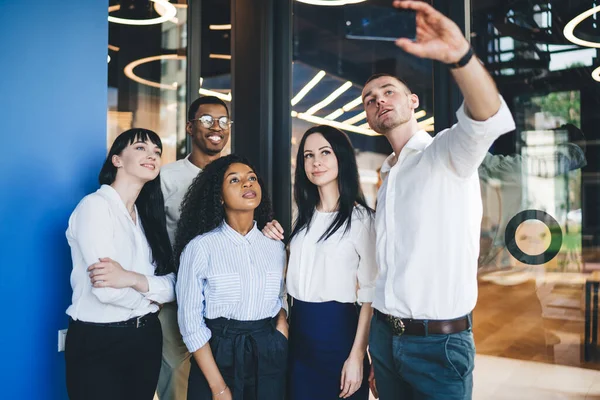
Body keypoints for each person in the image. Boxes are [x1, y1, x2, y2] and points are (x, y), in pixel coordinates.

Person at [362, 1, 516, 399]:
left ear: (413, 102)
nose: (378, 100)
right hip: (385, 337)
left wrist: (460, 56)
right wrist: (381, 351)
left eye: (388, 91)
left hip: (439, 347)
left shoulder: (445, 154)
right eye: (369, 98)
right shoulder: (387, 175)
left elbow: (486, 118)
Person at [262, 125, 377, 399]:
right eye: (308, 155)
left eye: (325, 152)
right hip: (298, 336)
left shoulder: (362, 220)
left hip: (339, 337)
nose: (316, 162)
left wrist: (357, 357)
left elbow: (372, 294)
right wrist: (270, 238)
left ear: (341, 157)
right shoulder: (300, 218)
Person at [64, 128, 176, 400]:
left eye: (157, 152)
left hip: (146, 338)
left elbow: (174, 286)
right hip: (99, 340)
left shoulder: (147, 216)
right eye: (141, 148)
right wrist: (150, 300)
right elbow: (106, 290)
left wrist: (132, 278)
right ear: (116, 160)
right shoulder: (95, 207)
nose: (151, 155)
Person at [175, 155, 288, 400]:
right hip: (217, 354)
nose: (247, 184)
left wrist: (282, 327)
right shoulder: (200, 247)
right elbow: (190, 323)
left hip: (268, 352)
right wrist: (219, 388)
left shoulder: (274, 246)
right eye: (234, 180)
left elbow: (281, 296)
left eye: (252, 178)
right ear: (219, 195)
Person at [158, 96, 232, 400]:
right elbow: (152, 238)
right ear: (190, 127)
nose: (216, 127)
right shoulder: (166, 177)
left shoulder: (237, 175)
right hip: (177, 297)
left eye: (223, 120)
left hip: (227, 299)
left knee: (224, 383)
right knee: (177, 385)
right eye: (206, 120)